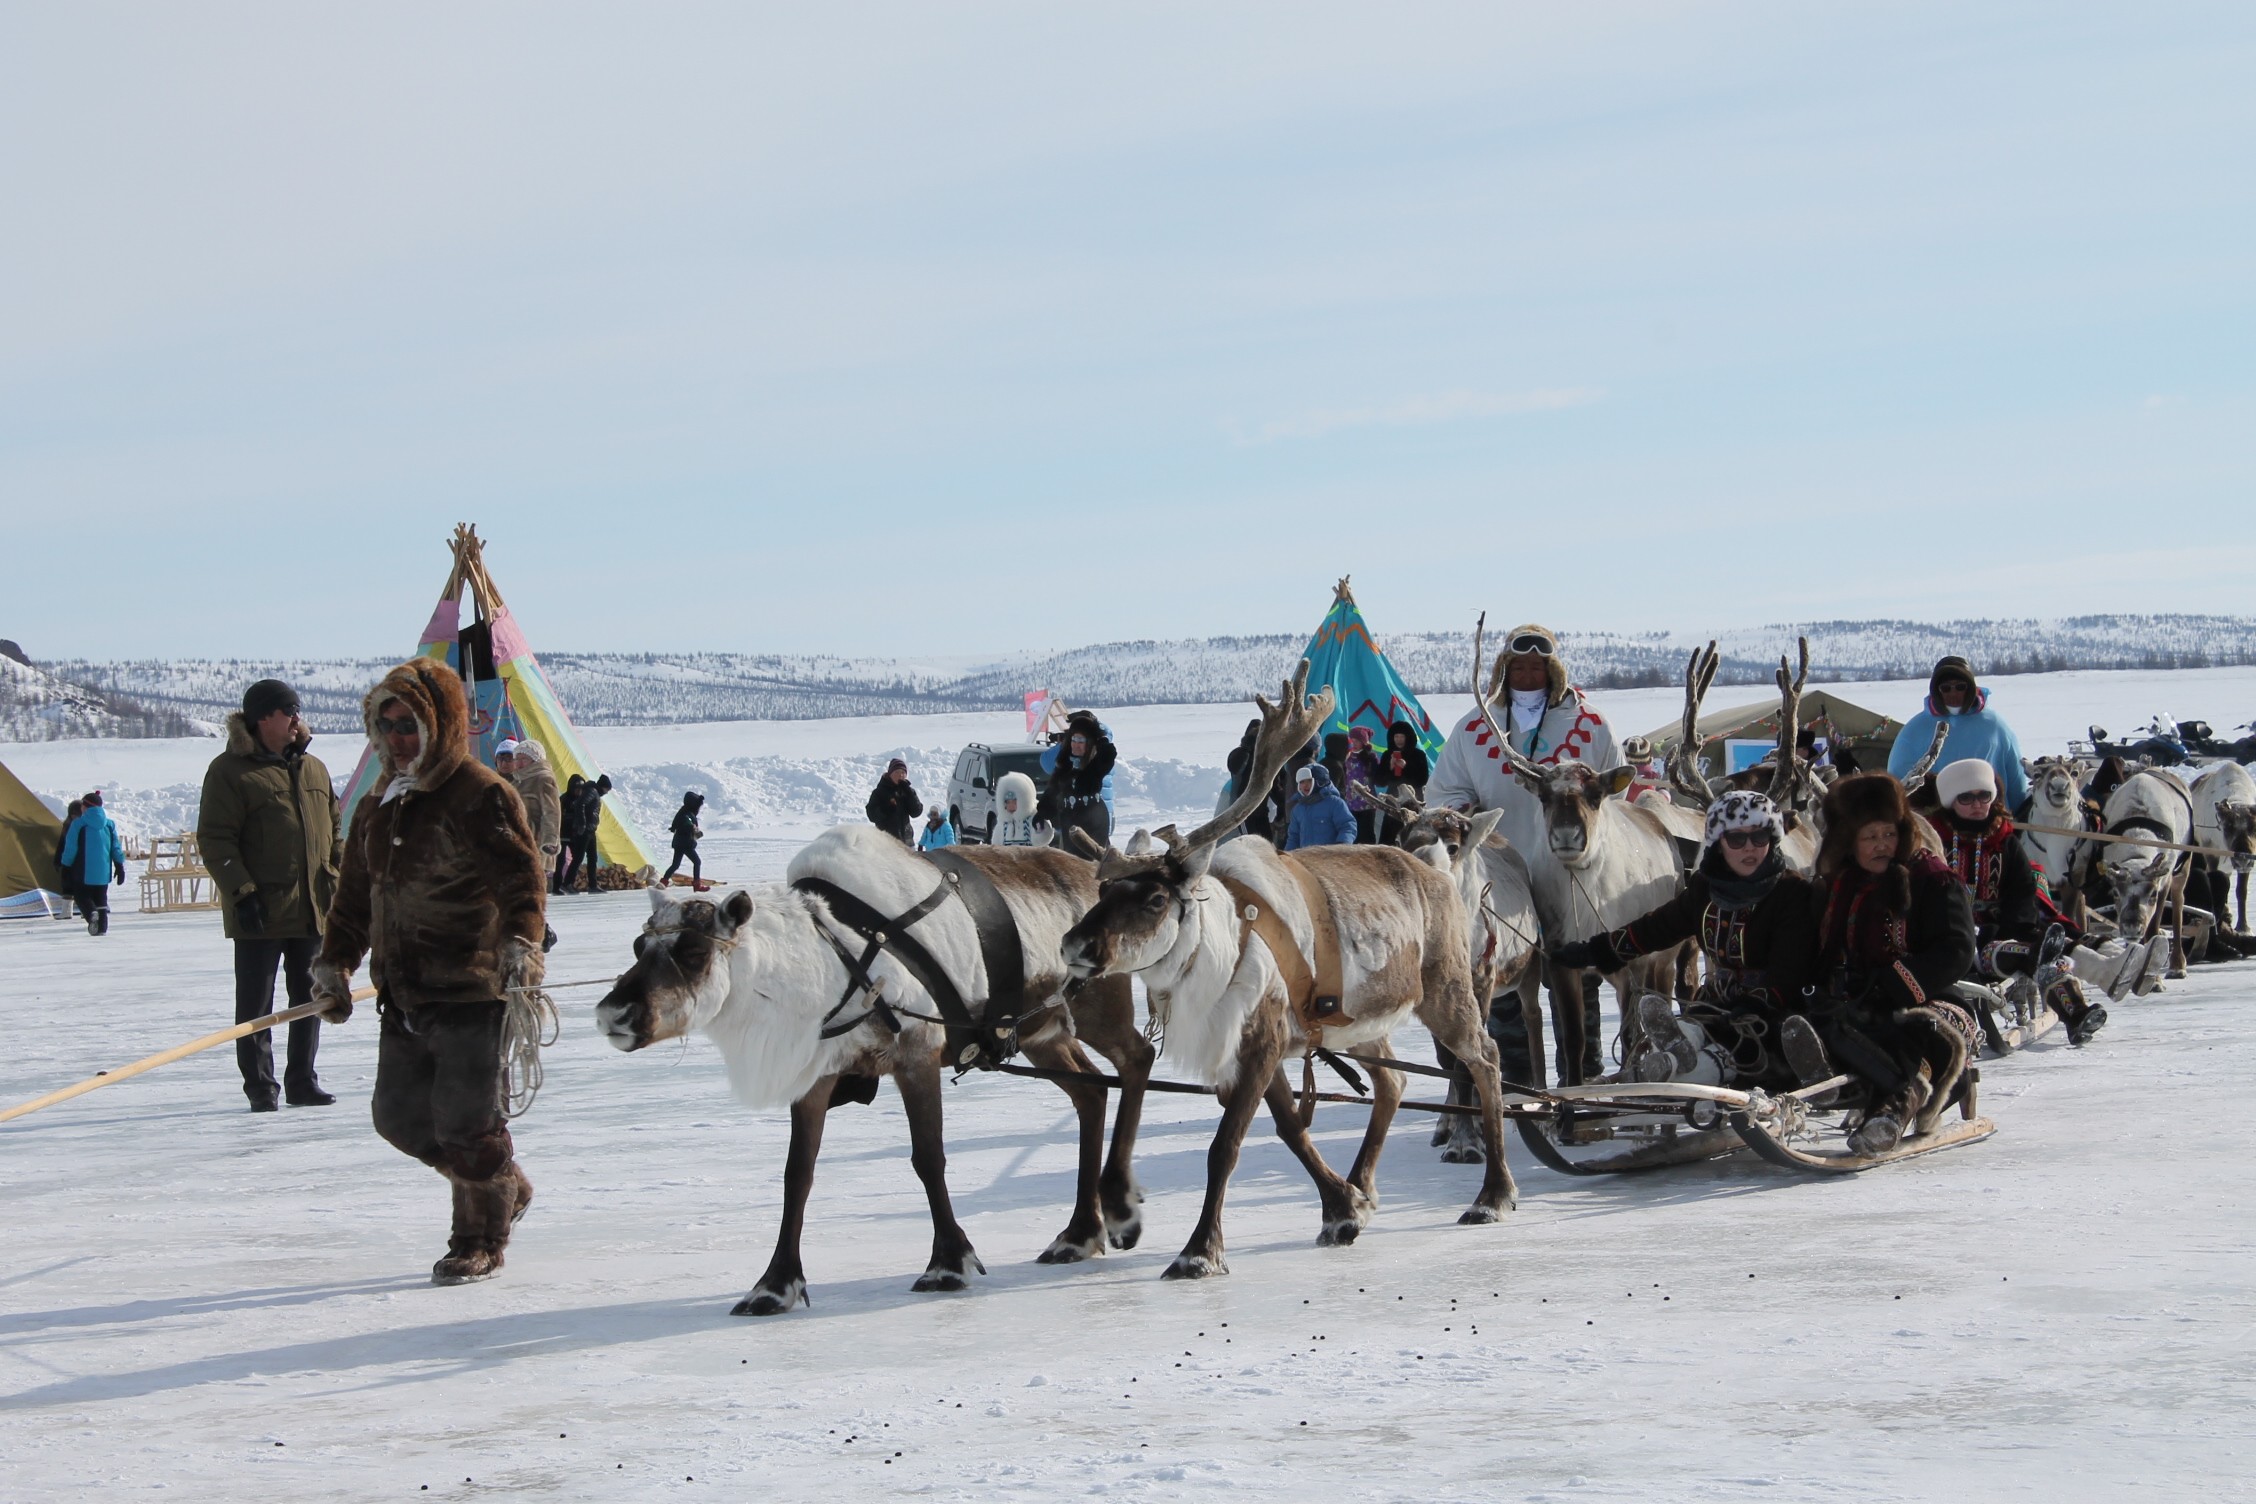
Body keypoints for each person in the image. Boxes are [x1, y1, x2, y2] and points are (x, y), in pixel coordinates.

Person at [311, 658, 547, 1285]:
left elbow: (521, 880)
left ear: (439, 724)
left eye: (409, 724)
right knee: (400, 1119)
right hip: (405, 992)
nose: (397, 739)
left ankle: (478, 1237)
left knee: (468, 1122)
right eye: (385, 726)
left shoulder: (479, 794)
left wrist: (523, 943)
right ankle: (502, 1183)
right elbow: (354, 899)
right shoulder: (378, 808)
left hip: (471, 988)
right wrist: (334, 963)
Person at [1546, 791, 1827, 1090]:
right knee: (1703, 1028)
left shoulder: (1790, 892)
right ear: (1719, 843)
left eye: (1760, 837)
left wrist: (1757, 1004)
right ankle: (1678, 1045)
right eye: (1736, 839)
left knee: (1737, 1049)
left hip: (1773, 1012)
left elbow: (1791, 966)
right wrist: (1596, 950)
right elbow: (1656, 928)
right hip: (1719, 1004)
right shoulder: (1706, 888)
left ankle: (1676, 1066)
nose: (1750, 848)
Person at [1805, 773, 1977, 1155]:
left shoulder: (1932, 879)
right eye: (1870, 837)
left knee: (1915, 1031)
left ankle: (1894, 1111)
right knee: (1822, 1021)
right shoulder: (1841, 884)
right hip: (1856, 999)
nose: (1882, 846)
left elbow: (1958, 949)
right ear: (1849, 842)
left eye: (1888, 834)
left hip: (1925, 997)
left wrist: (1895, 983)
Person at [197, 678, 342, 1111]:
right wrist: (242, 892)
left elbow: (334, 826)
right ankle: (261, 1087)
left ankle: (302, 1080)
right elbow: (216, 838)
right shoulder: (229, 771)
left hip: (312, 907)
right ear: (263, 718)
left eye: (297, 709)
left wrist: (334, 874)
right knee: (255, 1006)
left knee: (310, 999)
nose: (297, 717)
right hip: (260, 909)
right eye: (288, 710)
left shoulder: (313, 767)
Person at [1927, 758, 2132, 1045]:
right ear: (1951, 800)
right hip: (1945, 939)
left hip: (1994, 937)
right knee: (2031, 952)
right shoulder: (1933, 839)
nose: (1977, 804)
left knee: (2028, 952)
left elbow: (2022, 891)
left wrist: (2010, 928)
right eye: (1966, 797)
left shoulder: (2005, 840)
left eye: (1983, 796)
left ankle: (2076, 1013)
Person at [1888, 656, 2029, 811]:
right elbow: (1898, 784)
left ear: (1971, 688)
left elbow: (2016, 780)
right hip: (1938, 828)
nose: (1953, 693)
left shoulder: (1995, 726)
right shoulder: (1914, 731)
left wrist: (2018, 816)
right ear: (1936, 690)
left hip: (1991, 823)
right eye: (1946, 688)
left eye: (1960, 687)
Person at [497, 739, 563, 896]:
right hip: (519, 839)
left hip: (536, 840)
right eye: (517, 759)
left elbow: (552, 812)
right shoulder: (520, 780)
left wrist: (550, 841)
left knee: (530, 889)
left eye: (523, 759)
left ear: (535, 759)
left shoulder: (543, 779)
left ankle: (535, 919)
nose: (518, 763)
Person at [58, 790, 127, 935]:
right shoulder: (109, 824)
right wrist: (119, 866)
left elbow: (71, 848)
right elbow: (115, 847)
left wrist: (65, 866)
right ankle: (101, 929)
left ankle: (91, 914)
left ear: (86, 807)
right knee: (101, 899)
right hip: (103, 872)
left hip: (83, 871)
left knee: (81, 896)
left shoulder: (79, 824)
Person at [1044, 713, 1117, 847]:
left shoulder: (1090, 758)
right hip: (1101, 814)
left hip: (1085, 815)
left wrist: (1062, 744)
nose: (1076, 743)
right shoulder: (1102, 746)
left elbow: (1047, 763)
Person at [1373, 721, 1430, 844]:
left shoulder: (1418, 755)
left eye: (1401, 737)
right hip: (1393, 801)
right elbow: (1379, 781)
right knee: (1389, 839)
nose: (1398, 740)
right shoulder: (1388, 755)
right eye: (1396, 737)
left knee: (1411, 837)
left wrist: (1406, 767)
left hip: (1413, 801)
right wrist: (1390, 767)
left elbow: (1422, 780)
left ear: (1408, 737)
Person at [1284, 763, 1357, 850]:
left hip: (1330, 858)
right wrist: (1287, 855)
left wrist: (1341, 847)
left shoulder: (1334, 803)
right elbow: (1294, 837)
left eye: (1309, 781)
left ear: (1320, 781)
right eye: (1301, 782)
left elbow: (1347, 826)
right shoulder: (1298, 809)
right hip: (1305, 859)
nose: (1305, 785)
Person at [557, 772, 611, 892]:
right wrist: (582, 823)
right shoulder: (592, 791)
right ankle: (567, 883)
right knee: (578, 857)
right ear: (603, 787)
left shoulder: (593, 792)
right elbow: (580, 804)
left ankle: (593, 885)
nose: (606, 792)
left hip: (590, 829)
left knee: (592, 857)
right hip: (585, 830)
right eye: (606, 789)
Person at [1341, 725, 1382, 843]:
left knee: (1367, 832)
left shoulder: (1370, 757)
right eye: (1352, 740)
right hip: (1350, 800)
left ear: (1363, 742)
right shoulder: (1346, 756)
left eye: (1357, 741)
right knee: (1352, 830)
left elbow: (1377, 777)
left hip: (1367, 802)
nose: (1354, 743)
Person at [866, 759, 922, 844]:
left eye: (903, 773)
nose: (900, 775)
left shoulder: (908, 791)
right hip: (886, 842)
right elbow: (871, 815)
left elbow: (916, 812)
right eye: (897, 772)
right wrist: (887, 809)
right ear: (890, 774)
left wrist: (910, 794)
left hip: (906, 841)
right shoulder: (879, 792)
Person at [662, 791, 707, 888]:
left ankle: (663, 882)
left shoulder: (684, 812)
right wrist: (693, 828)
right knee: (697, 862)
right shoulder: (686, 814)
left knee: (675, 865)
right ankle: (697, 884)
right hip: (685, 844)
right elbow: (688, 822)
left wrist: (694, 829)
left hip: (679, 843)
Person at [992, 770, 1040, 847]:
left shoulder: (1031, 821)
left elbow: (1041, 840)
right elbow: (996, 846)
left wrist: (1041, 832)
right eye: (1008, 802)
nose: (1011, 806)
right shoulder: (1002, 825)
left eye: (1014, 802)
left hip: (1028, 857)